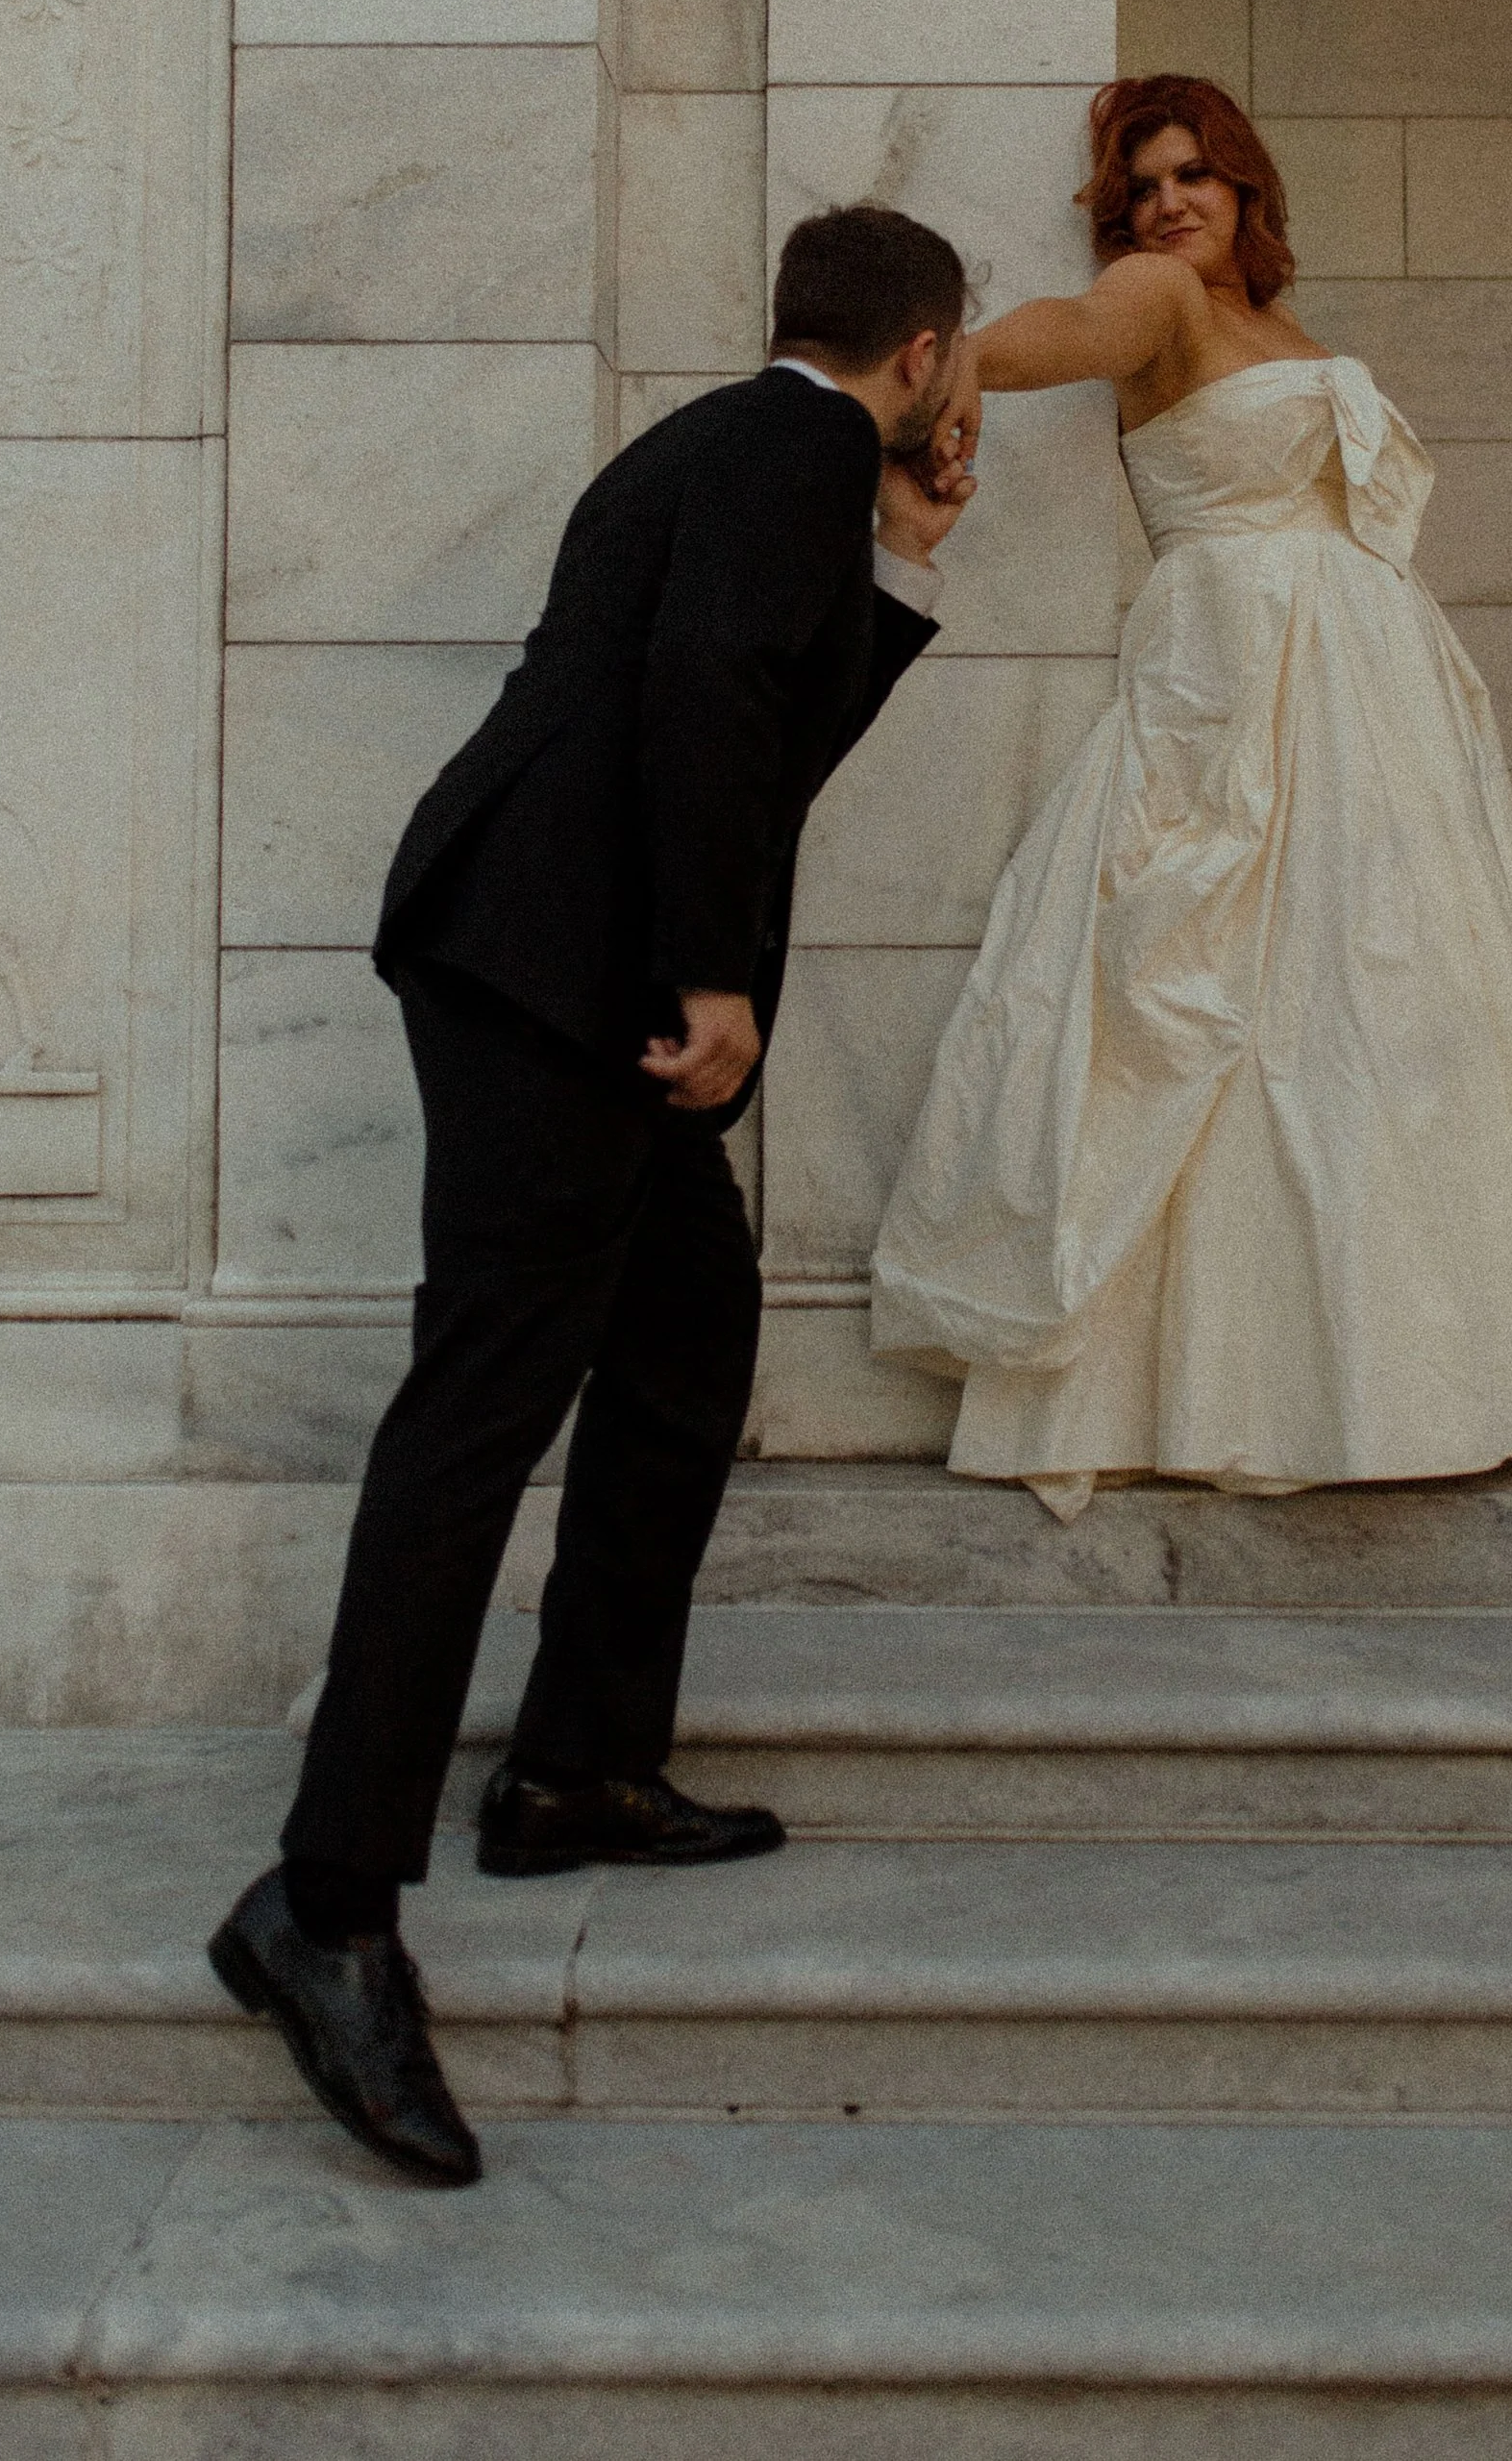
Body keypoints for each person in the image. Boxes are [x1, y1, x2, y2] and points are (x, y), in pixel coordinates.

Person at [212, 203, 978, 2186]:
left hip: (540, 958)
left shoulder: (731, 445)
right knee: (477, 1414)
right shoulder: (795, 448)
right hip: (566, 981)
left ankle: (571, 1770)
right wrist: (712, 983)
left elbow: (753, 711)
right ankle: (326, 1901)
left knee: (680, 1349)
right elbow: (713, 705)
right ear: (925, 356)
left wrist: (905, 557)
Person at [870, 75, 1512, 1519]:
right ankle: (1232, 1381)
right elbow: (1069, 332)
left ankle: (1427, 1372)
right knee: (1229, 1006)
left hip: (1375, 709)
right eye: (1143, 186)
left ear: (1246, 186)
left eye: (1194, 177)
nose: (1168, 203)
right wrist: (938, 369)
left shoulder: (1280, 332)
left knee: (1380, 1015)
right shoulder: (1156, 304)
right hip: (1241, 681)